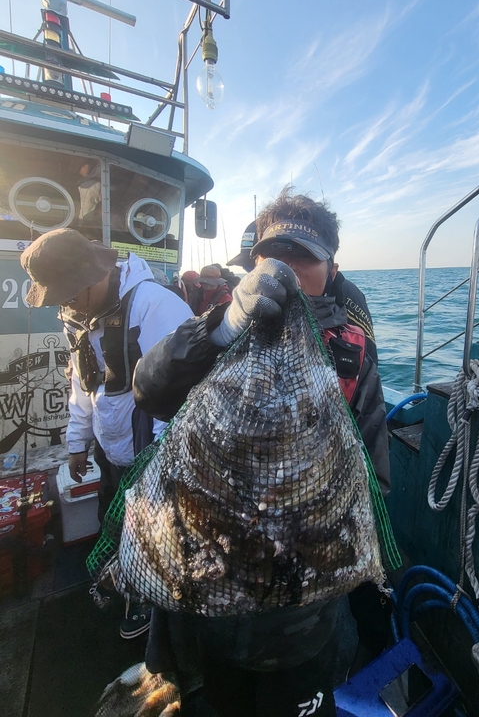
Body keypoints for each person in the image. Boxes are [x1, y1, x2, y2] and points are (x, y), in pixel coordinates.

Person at [132, 189, 391, 716]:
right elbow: (149, 392)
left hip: (305, 602)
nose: (291, 270)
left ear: (331, 267)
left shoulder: (353, 347)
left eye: (306, 257)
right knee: (223, 699)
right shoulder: (223, 323)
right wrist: (220, 330)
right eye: (279, 255)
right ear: (255, 261)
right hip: (216, 580)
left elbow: (374, 471)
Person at [20, 228, 193, 639]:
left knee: (157, 541)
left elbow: (183, 395)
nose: (62, 303)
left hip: (155, 462)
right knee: (114, 526)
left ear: (90, 277)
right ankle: (125, 586)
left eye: (66, 293)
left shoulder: (156, 308)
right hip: (111, 452)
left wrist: (159, 466)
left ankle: (151, 607)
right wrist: (77, 443)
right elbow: (83, 384)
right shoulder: (78, 315)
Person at [229, 219, 378, 361]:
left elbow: (368, 359)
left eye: (303, 255)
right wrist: (227, 325)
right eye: (271, 257)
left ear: (331, 272)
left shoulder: (348, 298)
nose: (284, 269)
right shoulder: (232, 313)